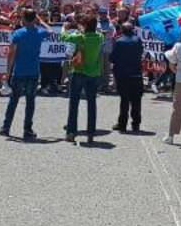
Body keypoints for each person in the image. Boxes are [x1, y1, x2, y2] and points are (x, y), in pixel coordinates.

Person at [0, 9, 48, 140]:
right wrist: (41, 21)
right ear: (34, 19)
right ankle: (27, 129)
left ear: (24, 19)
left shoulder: (18, 34)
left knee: (13, 100)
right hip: (33, 71)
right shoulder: (40, 32)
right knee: (30, 101)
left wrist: (7, 73)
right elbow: (50, 31)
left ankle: (6, 127)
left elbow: (11, 54)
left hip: (20, 71)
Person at [61, 15, 105, 144]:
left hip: (79, 72)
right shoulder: (99, 38)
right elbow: (98, 33)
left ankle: (71, 132)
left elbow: (63, 37)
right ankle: (91, 133)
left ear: (85, 26)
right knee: (91, 103)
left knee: (74, 103)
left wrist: (64, 28)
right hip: (93, 73)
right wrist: (84, 27)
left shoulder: (80, 37)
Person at [110, 23, 145, 132]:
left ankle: (122, 124)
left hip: (122, 74)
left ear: (122, 30)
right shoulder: (138, 40)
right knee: (136, 100)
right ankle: (136, 124)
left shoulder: (119, 41)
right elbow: (141, 53)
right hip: (136, 73)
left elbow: (112, 58)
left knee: (124, 100)